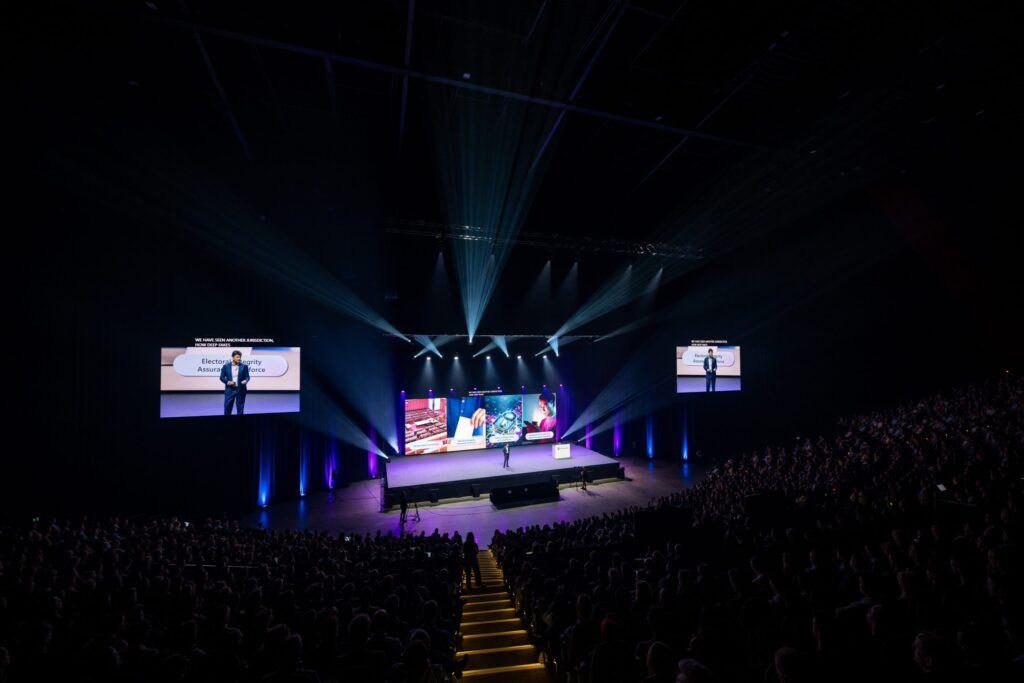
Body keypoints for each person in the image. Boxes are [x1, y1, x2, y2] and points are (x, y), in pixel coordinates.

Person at [219, 350, 250, 414]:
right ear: (233, 357)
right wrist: (228, 382)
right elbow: (221, 377)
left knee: (240, 408)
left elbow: (247, 377)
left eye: (240, 357)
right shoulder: (226, 366)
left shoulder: (244, 366)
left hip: (241, 389)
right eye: (237, 357)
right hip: (230, 389)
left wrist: (245, 380)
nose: (239, 358)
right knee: (227, 407)